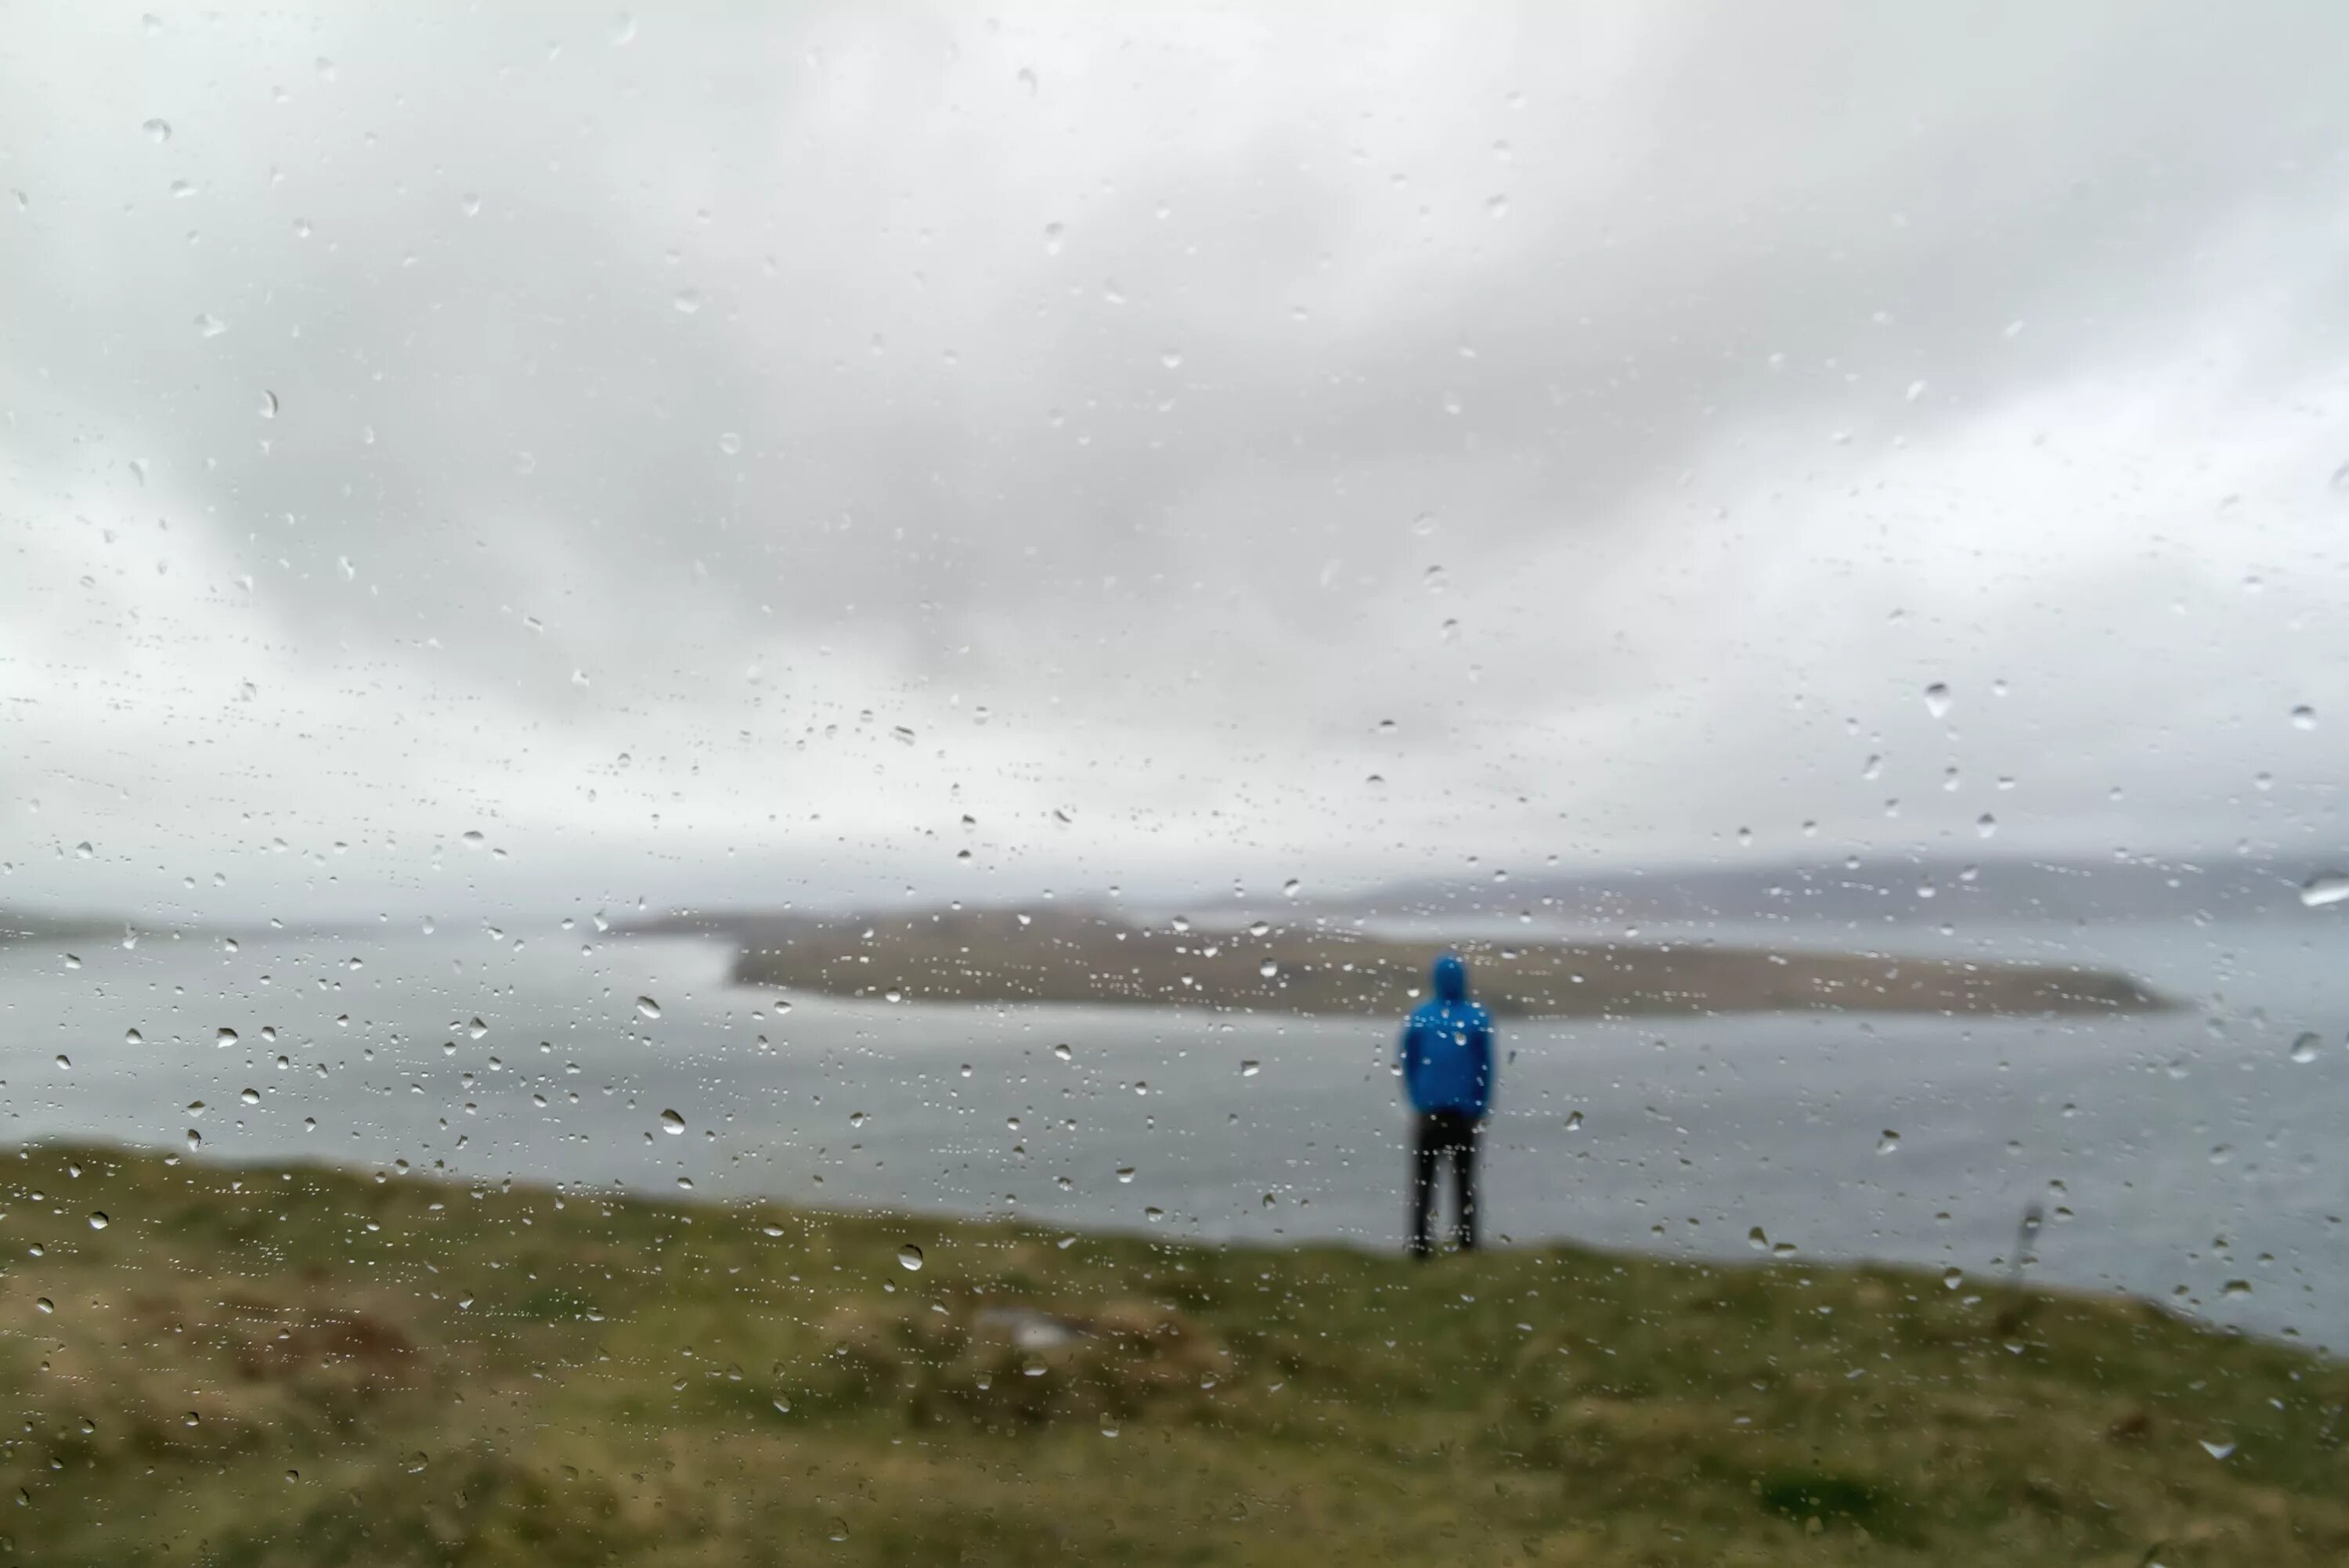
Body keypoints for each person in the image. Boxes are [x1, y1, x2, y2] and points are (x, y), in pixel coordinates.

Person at [1398, 951, 1494, 1258]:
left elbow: (1407, 1061)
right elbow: (1485, 1068)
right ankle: (1467, 1245)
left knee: (1424, 1183)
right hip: (1464, 1115)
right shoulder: (1477, 1017)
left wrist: (1417, 1098)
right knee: (1464, 1183)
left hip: (1428, 1113)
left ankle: (1419, 1246)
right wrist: (1479, 1105)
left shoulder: (1421, 1016)